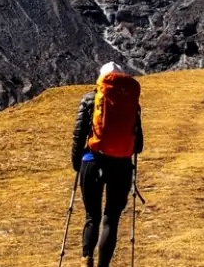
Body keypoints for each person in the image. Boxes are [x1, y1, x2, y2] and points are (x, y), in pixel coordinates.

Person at [70, 62, 144, 267]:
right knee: (111, 217)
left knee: (92, 215)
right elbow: (138, 145)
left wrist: (78, 164)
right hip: (121, 166)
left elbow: (78, 136)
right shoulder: (132, 103)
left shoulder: (90, 99)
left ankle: (86, 260)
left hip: (92, 162)